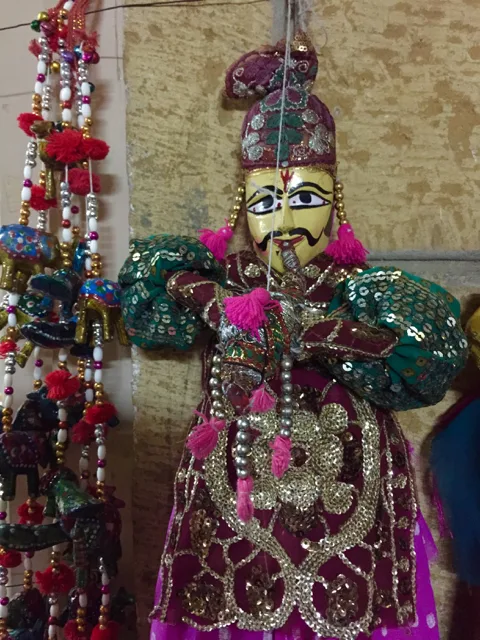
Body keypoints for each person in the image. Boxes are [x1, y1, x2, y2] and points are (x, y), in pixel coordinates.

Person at [119, 32, 468, 640]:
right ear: (242, 206)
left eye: (304, 197)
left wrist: (308, 333)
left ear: (335, 202)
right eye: (265, 201)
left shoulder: (364, 292)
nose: (282, 221)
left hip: (349, 488)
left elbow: (425, 357)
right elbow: (148, 290)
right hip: (234, 491)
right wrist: (222, 308)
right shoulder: (218, 283)